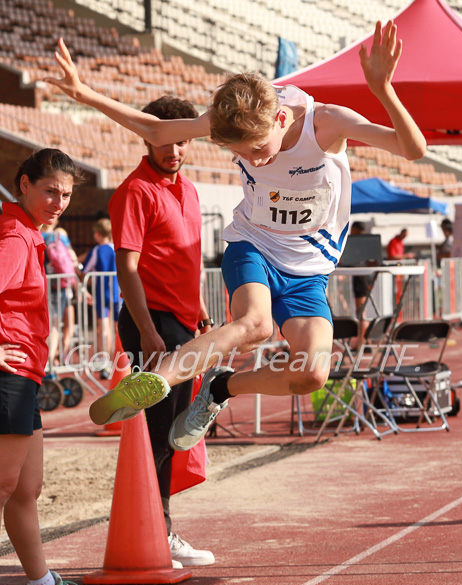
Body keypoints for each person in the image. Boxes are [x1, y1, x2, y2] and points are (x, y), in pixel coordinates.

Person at [47, 20, 426, 451]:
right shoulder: (230, 119)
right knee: (255, 324)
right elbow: (155, 130)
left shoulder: (327, 124)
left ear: (281, 119)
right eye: (241, 155)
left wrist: (383, 89)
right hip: (254, 246)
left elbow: (413, 150)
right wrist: (83, 94)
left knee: (311, 374)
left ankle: (223, 387)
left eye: (258, 150)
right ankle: (155, 381)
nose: (253, 162)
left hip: (309, 270)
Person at [108, 96, 215, 567]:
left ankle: (161, 528)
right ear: (145, 136)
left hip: (182, 320)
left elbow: (182, 259)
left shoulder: (188, 190)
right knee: (157, 430)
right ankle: (156, 533)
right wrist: (150, 331)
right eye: (164, 140)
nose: (174, 149)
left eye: (183, 140)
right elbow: (127, 269)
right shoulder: (134, 192)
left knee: (174, 427)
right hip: (152, 322)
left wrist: (200, 308)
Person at [0, 148, 101, 585]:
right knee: (1, 485)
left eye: (66, 194)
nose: (58, 201)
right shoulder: (15, 236)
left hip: (27, 374)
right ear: (23, 185)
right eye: (49, 191)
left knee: (25, 488)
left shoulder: (29, 234)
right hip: (8, 374)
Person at [81, 218, 120, 378]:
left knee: (102, 328)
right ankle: (118, 361)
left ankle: (104, 360)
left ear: (97, 234)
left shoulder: (97, 250)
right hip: (119, 293)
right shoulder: (117, 249)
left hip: (102, 294)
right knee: (117, 329)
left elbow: (85, 271)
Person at [42, 217, 79, 366]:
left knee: (47, 324)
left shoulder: (36, 235)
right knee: (56, 324)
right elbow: (72, 258)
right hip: (60, 284)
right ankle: (53, 359)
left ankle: (49, 358)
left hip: (42, 283)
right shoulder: (60, 237)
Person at [349, 221, 371, 350]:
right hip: (366, 277)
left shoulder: (357, 243)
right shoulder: (366, 243)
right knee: (362, 311)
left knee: (361, 312)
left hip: (360, 278)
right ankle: (365, 342)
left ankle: (361, 343)